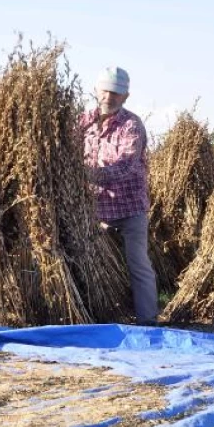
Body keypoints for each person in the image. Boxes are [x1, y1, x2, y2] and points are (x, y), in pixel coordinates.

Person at [78, 66, 159, 325]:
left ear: (125, 96)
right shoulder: (83, 122)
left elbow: (124, 166)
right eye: (105, 90)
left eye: (116, 93)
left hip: (130, 208)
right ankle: (96, 316)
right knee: (87, 263)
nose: (109, 97)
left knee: (138, 266)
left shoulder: (131, 125)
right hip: (94, 210)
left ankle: (148, 322)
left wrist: (80, 174)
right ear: (96, 90)